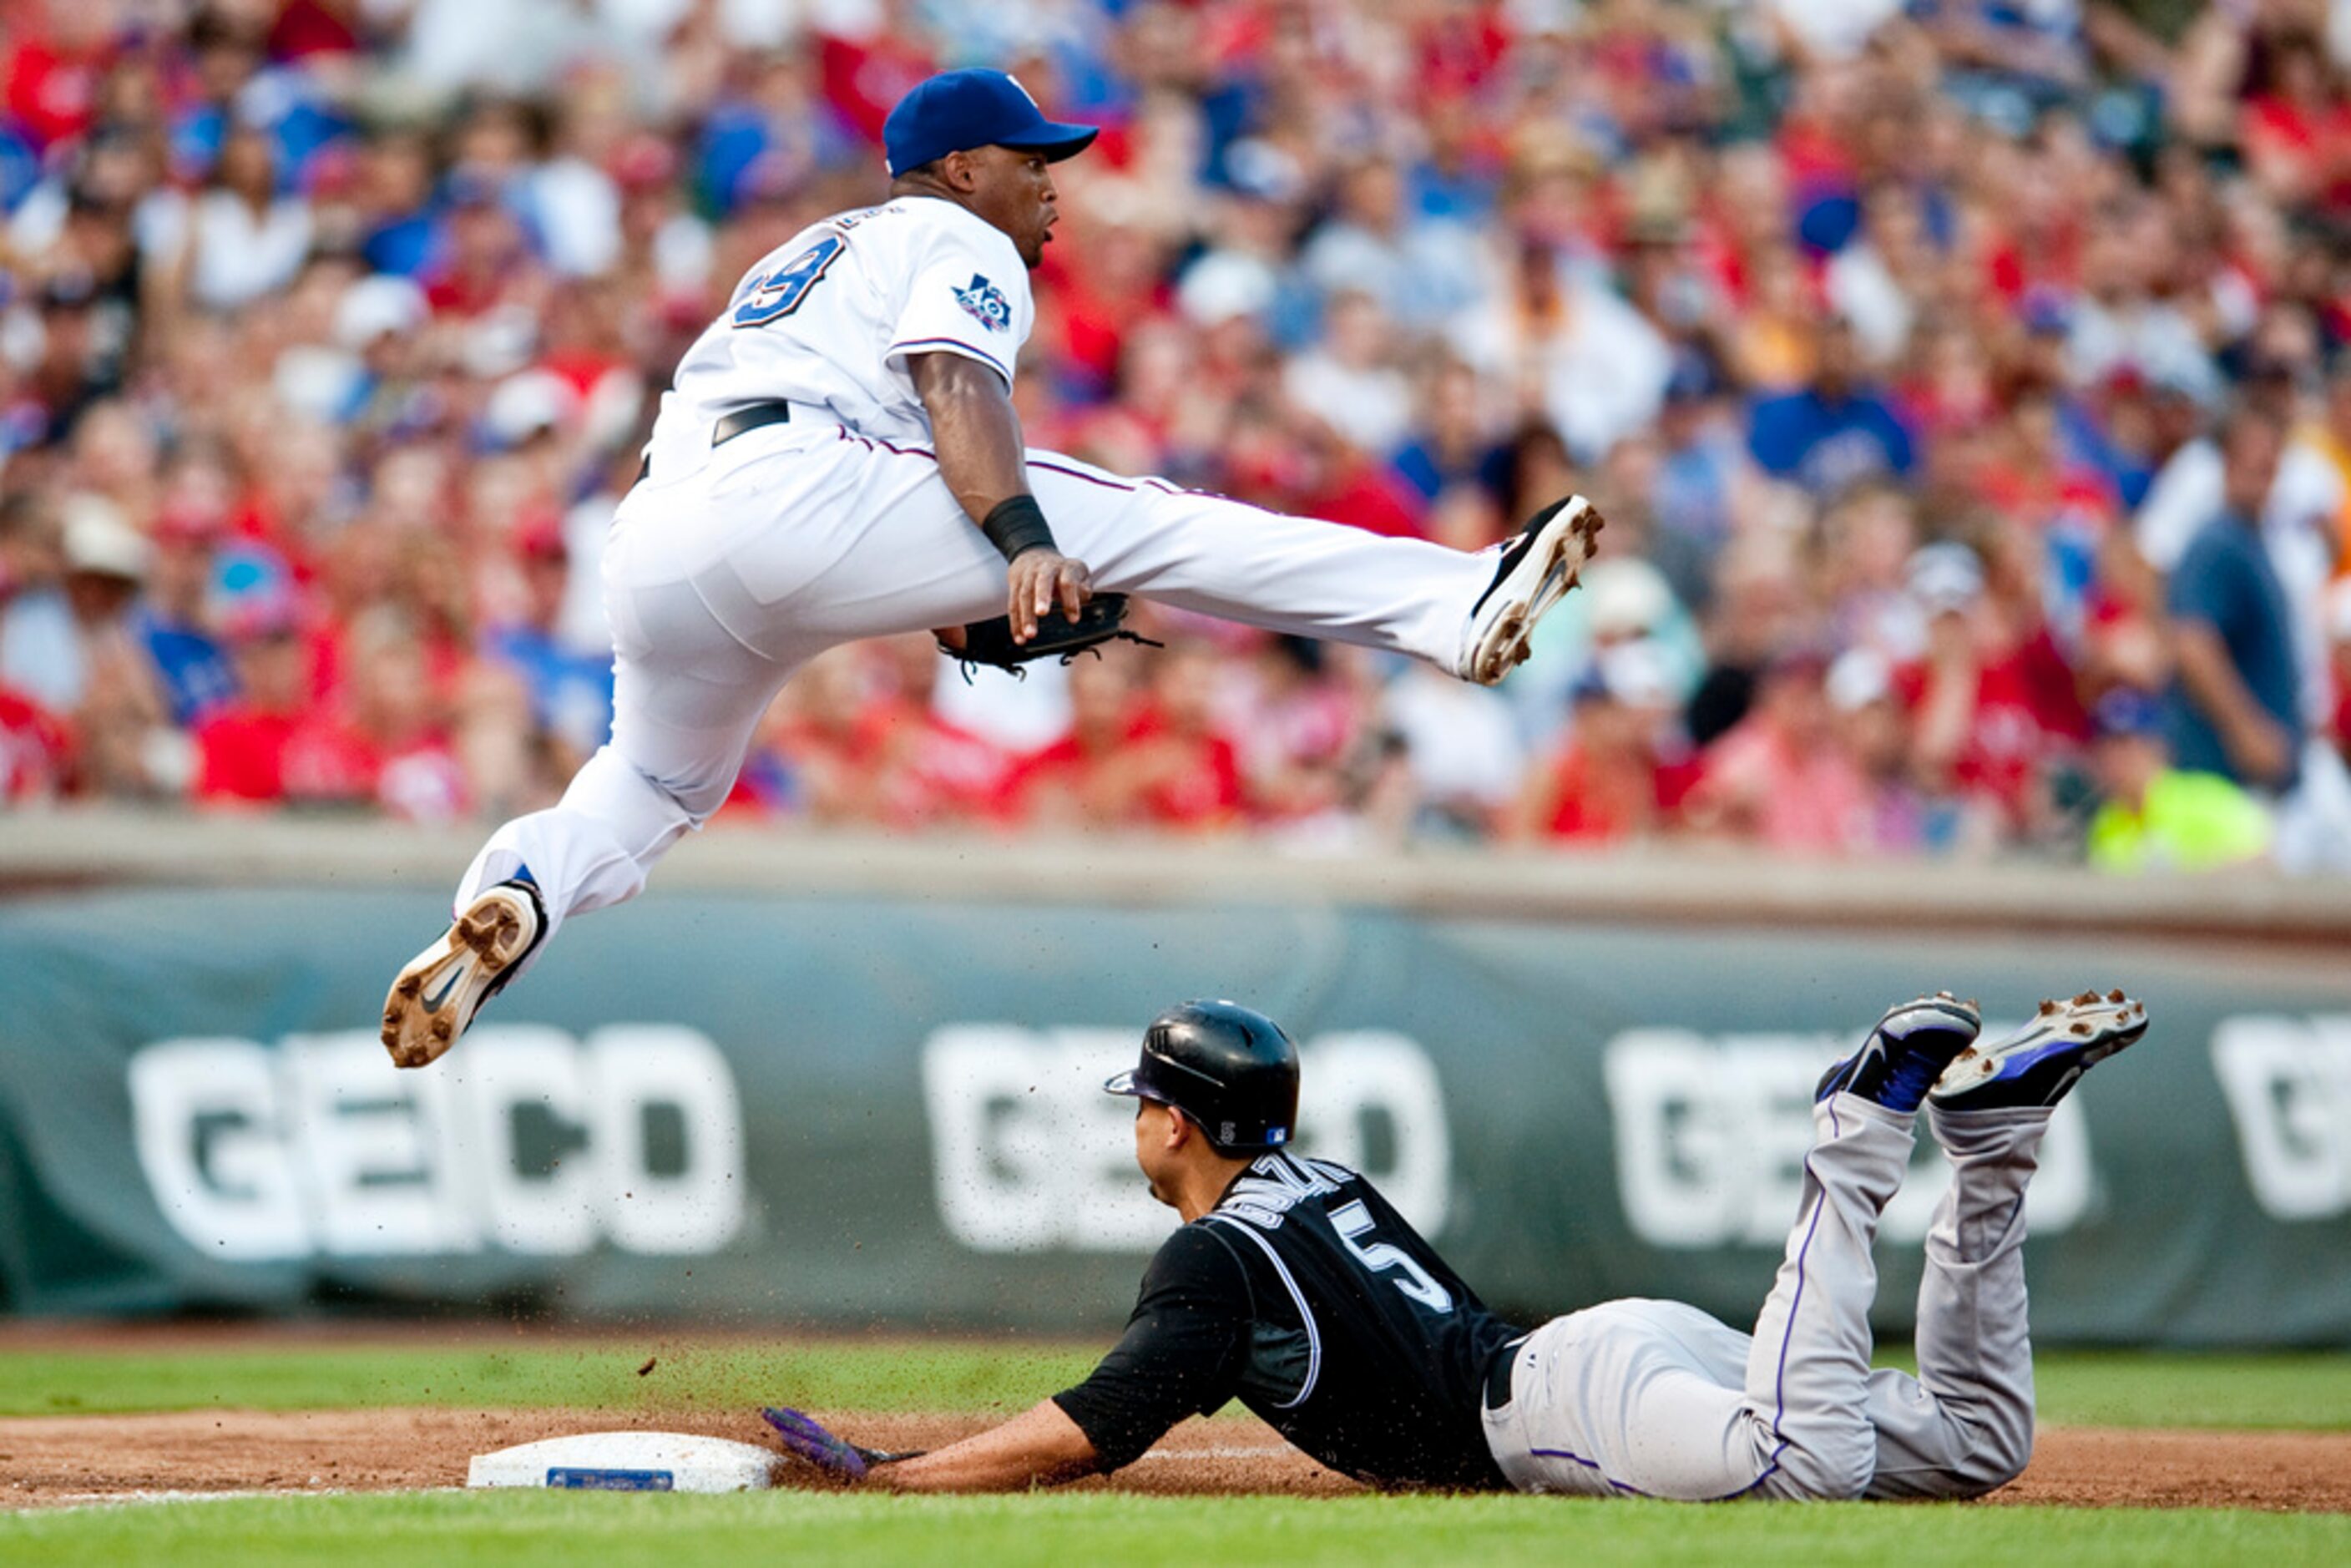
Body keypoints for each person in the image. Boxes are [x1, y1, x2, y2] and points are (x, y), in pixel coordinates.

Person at [380, 68, 1603, 1069]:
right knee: (1140, 516)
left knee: (650, 784)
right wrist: (1021, 545)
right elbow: (956, 391)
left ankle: (519, 890)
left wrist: (962, 587)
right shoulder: (954, 234)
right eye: (1032, 163)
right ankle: (1454, 602)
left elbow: (880, 492)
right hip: (795, 487)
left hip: (659, 532)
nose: (1051, 188)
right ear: (964, 170)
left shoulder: (811, 253)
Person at [761, 990, 2150, 1500]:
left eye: (1148, 1104)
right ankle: (1994, 1149)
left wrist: (902, 1476)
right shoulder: (1315, 1175)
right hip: (1602, 1361)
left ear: (1179, 1124)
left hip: (1550, 1407)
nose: (1139, 1123)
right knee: (1974, 1443)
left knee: (1812, 1464)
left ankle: (1855, 1131)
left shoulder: (1211, 1258)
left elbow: (1098, 1425)